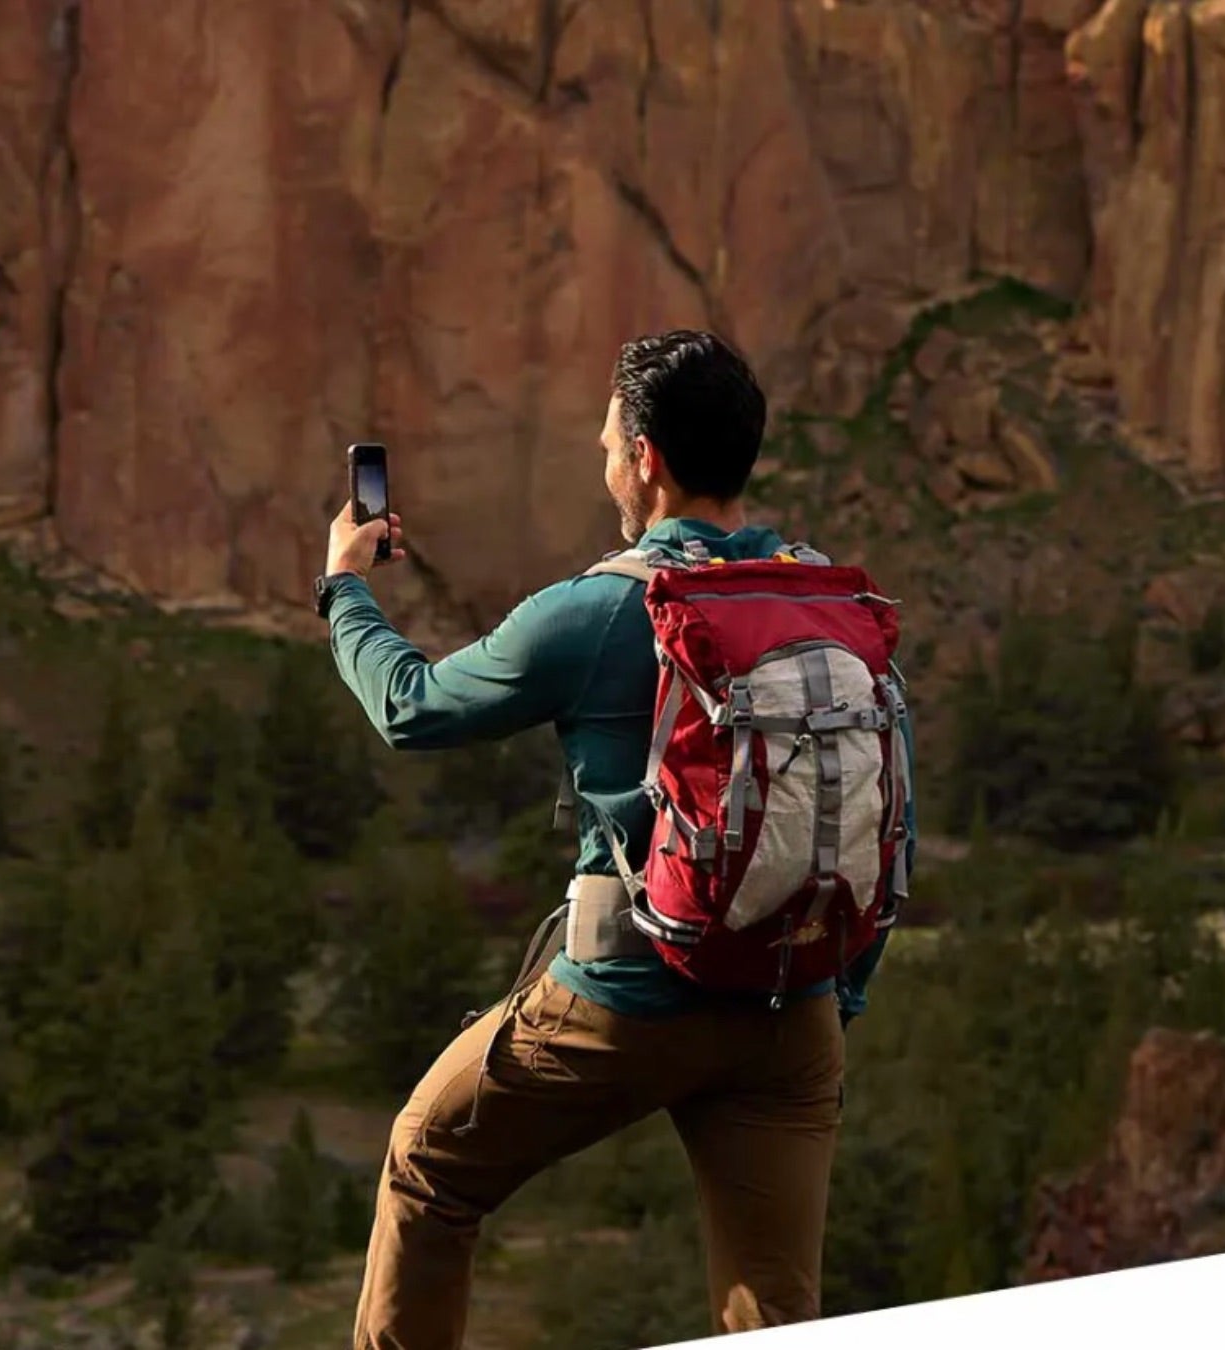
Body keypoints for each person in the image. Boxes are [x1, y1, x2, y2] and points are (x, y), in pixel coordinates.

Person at [310, 330, 910, 1346]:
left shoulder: (597, 611)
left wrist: (345, 588)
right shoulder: (826, 599)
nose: (602, 463)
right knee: (773, 1311)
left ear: (645, 459)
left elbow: (412, 708)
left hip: (635, 999)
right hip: (792, 1008)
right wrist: (832, 995)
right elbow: (882, 814)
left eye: (605, 444)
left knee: (428, 1163)